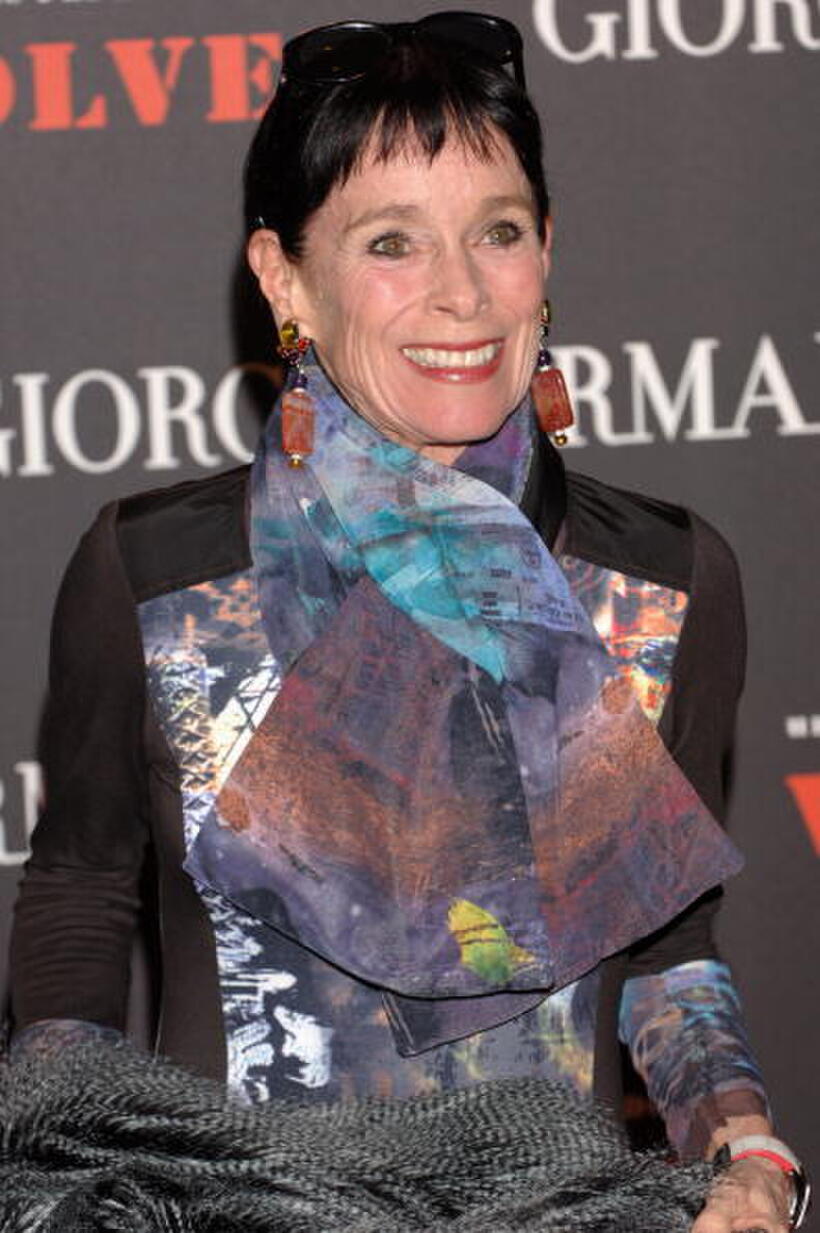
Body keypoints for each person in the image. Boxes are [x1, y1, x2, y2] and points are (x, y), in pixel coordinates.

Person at [7, 13, 809, 1232]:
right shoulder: (159, 577)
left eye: (498, 231)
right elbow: (79, 892)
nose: (461, 293)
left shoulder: (664, 584)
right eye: (392, 241)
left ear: (546, 248)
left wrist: (743, 1147)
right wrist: (62, 1180)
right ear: (285, 278)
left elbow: (663, 946)